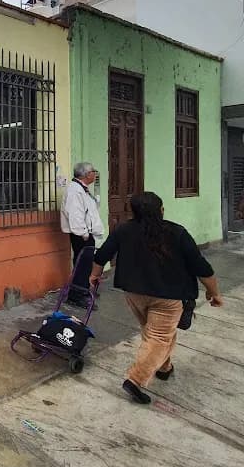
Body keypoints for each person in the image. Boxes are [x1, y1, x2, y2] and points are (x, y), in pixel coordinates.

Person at [89, 192, 223, 405]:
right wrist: (213, 292)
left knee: (153, 334)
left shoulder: (123, 230)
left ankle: (164, 367)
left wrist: (94, 276)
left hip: (134, 294)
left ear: (133, 211)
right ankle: (135, 380)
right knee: (159, 336)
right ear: (161, 210)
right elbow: (201, 266)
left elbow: (102, 255)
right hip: (167, 298)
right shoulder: (177, 233)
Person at [60, 162, 104, 307]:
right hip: (81, 234)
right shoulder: (75, 190)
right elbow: (75, 215)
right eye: (93, 171)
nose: (95, 174)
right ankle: (77, 295)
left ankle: (83, 289)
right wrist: (84, 234)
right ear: (86, 174)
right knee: (82, 264)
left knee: (85, 264)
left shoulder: (82, 189)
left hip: (86, 232)